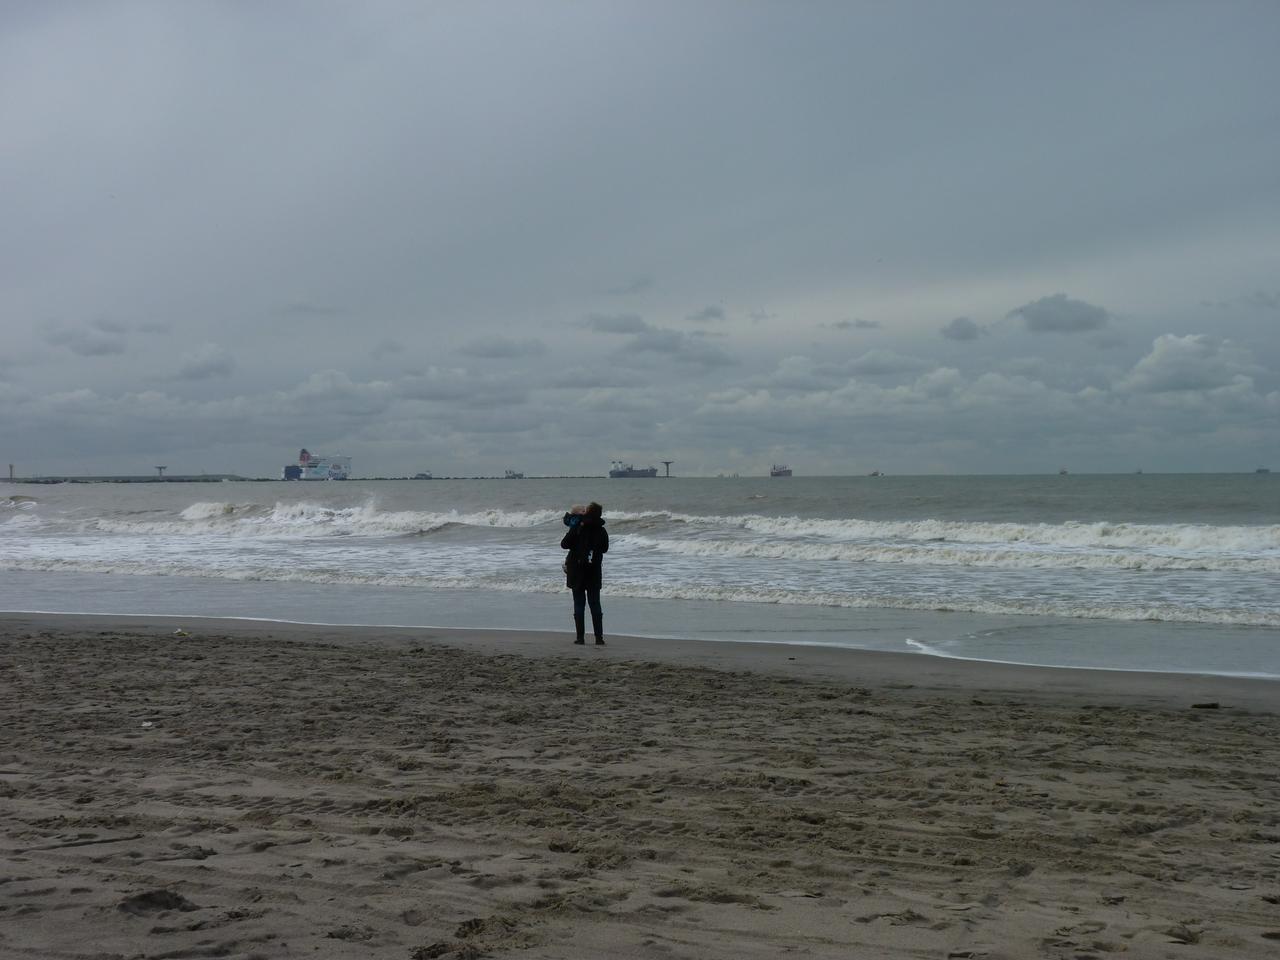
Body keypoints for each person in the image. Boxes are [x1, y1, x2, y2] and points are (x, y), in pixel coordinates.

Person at [561, 501, 608, 645]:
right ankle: (599, 638)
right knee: (595, 604)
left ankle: (580, 638)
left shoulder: (577, 528)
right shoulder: (601, 530)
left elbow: (564, 544)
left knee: (579, 604)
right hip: (593, 571)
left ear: (588, 513)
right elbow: (605, 548)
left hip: (577, 571)